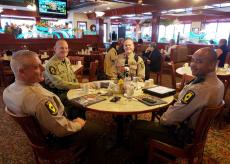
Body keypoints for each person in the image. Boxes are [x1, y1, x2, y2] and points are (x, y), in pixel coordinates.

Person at [3, 50, 105, 163]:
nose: (43, 69)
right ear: (22, 72)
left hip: (39, 132)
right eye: (37, 67)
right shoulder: (40, 100)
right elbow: (61, 130)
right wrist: (77, 124)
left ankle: (86, 146)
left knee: (76, 107)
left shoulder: (7, 91)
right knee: (99, 130)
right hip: (54, 138)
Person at [130, 47, 224, 162]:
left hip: (182, 136)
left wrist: (164, 115)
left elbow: (167, 120)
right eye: (193, 60)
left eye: (199, 61)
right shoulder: (220, 84)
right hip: (196, 135)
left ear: (212, 65)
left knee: (135, 125)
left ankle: (146, 158)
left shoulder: (199, 89)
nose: (193, 65)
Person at [44, 39, 85, 119]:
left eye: (66, 48)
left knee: (84, 97)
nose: (65, 50)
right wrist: (79, 85)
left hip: (68, 90)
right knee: (78, 103)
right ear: (55, 49)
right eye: (61, 48)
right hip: (58, 93)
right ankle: (72, 125)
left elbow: (72, 77)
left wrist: (79, 88)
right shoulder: (51, 64)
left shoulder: (66, 60)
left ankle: (80, 123)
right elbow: (59, 84)